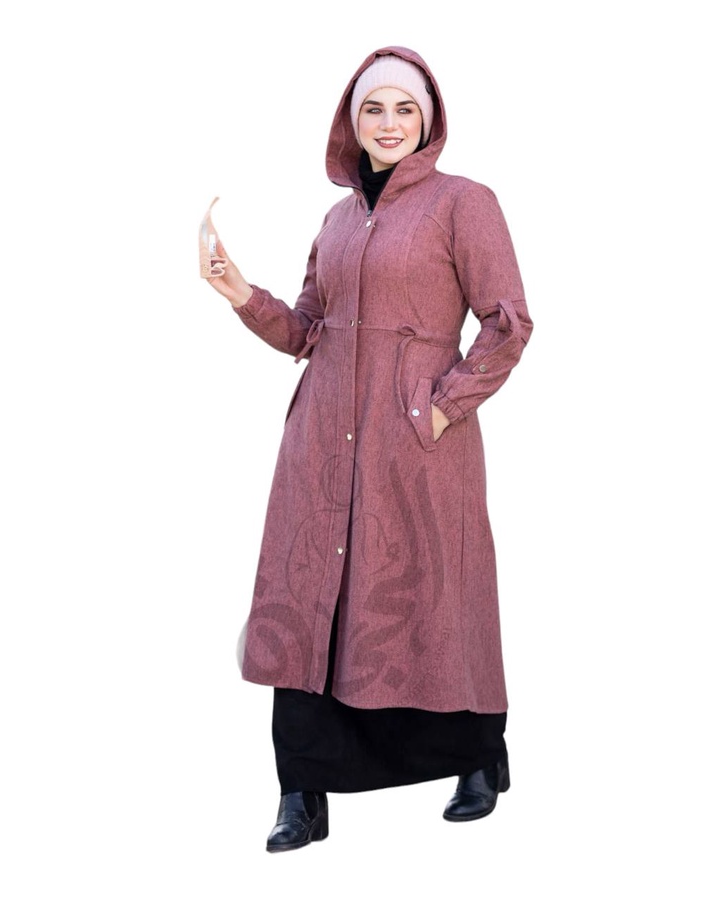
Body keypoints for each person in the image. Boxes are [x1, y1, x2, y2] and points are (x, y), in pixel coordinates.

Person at [201, 46, 533, 852]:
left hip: (417, 446)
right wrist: (239, 292)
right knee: (311, 603)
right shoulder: (338, 220)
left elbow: (508, 322)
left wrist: (442, 410)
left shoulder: (464, 203)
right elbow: (308, 331)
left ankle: (475, 756)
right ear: (352, 122)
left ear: (428, 120)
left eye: (404, 109)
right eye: (373, 109)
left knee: (433, 595)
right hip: (322, 444)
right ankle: (302, 792)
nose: (388, 124)